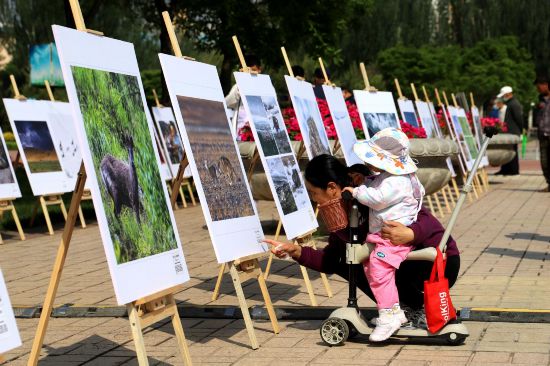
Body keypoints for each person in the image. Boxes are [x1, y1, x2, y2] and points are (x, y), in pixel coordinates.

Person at [264, 154, 461, 331]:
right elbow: (332, 261)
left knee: (370, 258)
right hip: (402, 263)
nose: (314, 199)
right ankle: (406, 307)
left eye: (314, 193)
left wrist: (411, 233)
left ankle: (414, 307)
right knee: (349, 259)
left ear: (332, 188)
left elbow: (426, 221)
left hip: (438, 263)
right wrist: (296, 251)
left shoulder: (372, 195)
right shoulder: (341, 218)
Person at [342, 128, 425, 341]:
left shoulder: (398, 181)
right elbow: (377, 184)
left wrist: (357, 191)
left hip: (394, 237)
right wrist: (365, 182)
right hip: (385, 235)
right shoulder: (394, 176)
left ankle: (388, 316)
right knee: (373, 268)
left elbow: (378, 198)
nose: (371, 165)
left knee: (379, 270)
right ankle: (393, 310)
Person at [225, 55, 262, 139]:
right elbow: (227, 103)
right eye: (247, 70)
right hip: (240, 132)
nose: (250, 73)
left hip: (259, 130)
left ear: (259, 70)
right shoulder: (237, 86)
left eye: (254, 70)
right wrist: (238, 92)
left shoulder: (265, 86)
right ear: (241, 71)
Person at [495, 86, 523, 175]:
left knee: (512, 151)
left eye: (504, 95)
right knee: (506, 150)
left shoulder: (514, 104)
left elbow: (519, 118)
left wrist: (521, 130)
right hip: (509, 130)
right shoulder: (510, 103)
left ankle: (513, 170)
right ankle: (505, 169)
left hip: (513, 131)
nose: (503, 97)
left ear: (508, 94)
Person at [534, 75, 550, 192]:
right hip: (543, 135)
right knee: (544, 161)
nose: (537, 89)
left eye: (539, 87)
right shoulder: (541, 100)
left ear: (546, 85)